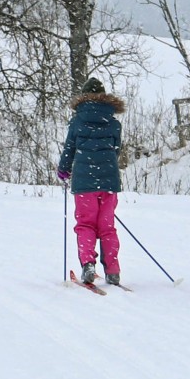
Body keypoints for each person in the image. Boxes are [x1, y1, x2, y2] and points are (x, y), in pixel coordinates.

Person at [57, 77, 124, 287]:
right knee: (107, 227)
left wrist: (63, 170)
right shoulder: (113, 123)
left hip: (85, 183)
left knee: (86, 224)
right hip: (109, 183)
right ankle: (113, 270)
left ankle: (88, 264)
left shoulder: (77, 122)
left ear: (83, 98)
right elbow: (117, 151)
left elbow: (69, 148)